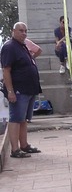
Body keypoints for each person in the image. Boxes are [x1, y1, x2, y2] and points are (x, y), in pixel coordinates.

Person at [1, 22, 42, 158]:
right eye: (21, 31)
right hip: (18, 90)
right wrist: (11, 91)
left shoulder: (22, 45)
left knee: (23, 119)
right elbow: (6, 70)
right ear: (13, 31)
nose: (24, 33)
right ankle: (15, 149)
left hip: (29, 88)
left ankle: (24, 145)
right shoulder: (9, 47)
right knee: (16, 119)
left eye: (25, 31)